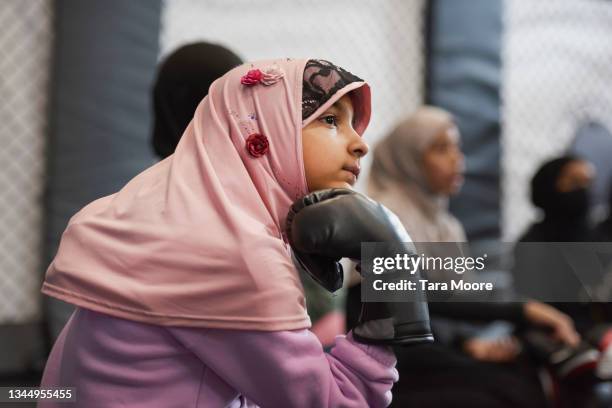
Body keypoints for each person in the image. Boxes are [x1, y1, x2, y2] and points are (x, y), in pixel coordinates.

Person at [38, 59, 402, 407]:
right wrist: (391, 296)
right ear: (266, 132)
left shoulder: (154, 213)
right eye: (331, 120)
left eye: (354, 124)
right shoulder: (234, 251)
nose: (360, 143)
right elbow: (337, 401)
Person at [358, 106, 579, 407]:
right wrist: (522, 310)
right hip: (393, 361)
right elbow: (420, 296)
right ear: (408, 158)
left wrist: (469, 344)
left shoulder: (445, 225)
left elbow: (452, 302)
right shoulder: (382, 215)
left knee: (523, 378)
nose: (456, 158)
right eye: (440, 148)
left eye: (457, 147)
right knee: (502, 393)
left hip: (435, 352)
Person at [152, 43, 343, 347]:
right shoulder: (204, 216)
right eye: (330, 121)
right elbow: (306, 382)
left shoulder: (260, 190)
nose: (359, 143)